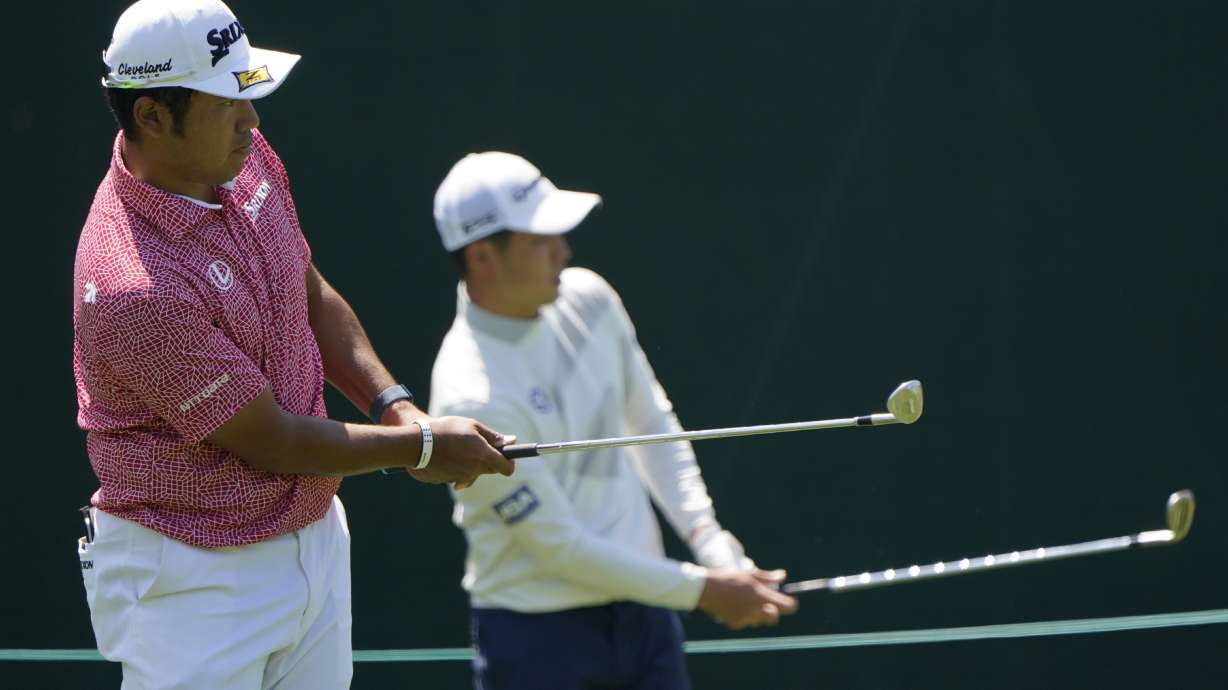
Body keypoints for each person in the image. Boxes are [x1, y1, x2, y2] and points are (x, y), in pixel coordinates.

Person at [73, 1, 514, 687]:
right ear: (154, 117)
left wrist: (397, 406)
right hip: (192, 583)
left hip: (311, 541)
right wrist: (422, 447)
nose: (253, 119)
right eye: (228, 102)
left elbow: (303, 287)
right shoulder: (134, 285)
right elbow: (270, 438)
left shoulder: (241, 160)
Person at [428, 151, 799, 690]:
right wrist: (705, 589)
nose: (564, 249)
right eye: (541, 239)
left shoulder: (590, 297)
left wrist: (711, 542)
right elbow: (561, 549)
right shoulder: (469, 398)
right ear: (483, 257)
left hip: (647, 615)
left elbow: (652, 425)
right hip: (537, 642)